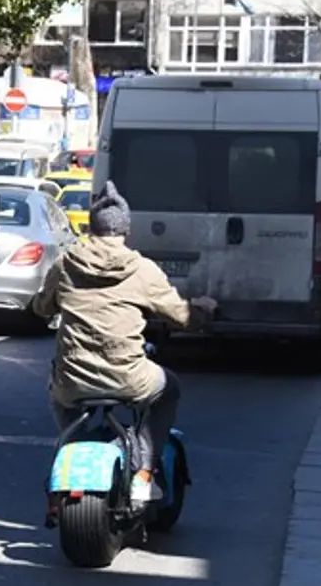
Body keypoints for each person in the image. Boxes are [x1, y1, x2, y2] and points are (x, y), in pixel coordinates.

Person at [32, 181, 217, 512]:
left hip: (73, 380)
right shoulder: (141, 268)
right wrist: (205, 308)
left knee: (57, 393)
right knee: (169, 389)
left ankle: (72, 449)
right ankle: (144, 472)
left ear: (91, 227)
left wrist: (46, 301)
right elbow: (182, 316)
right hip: (130, 378)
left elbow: (42, 308)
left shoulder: (65, 264)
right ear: (126, 230)